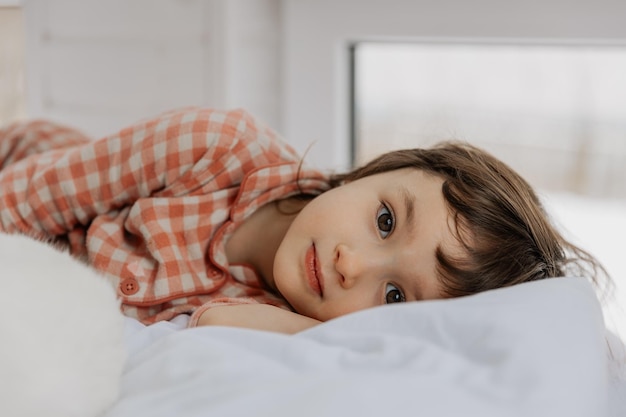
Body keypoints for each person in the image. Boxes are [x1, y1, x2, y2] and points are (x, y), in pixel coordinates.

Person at [0, 107, 608, 334]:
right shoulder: (216, 146)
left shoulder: (296, 319)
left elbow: (215, 321)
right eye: (387, 220)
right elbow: (29, 199)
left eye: (394, 296)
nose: (353, 265)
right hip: (30, 176)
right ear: (373, 171)